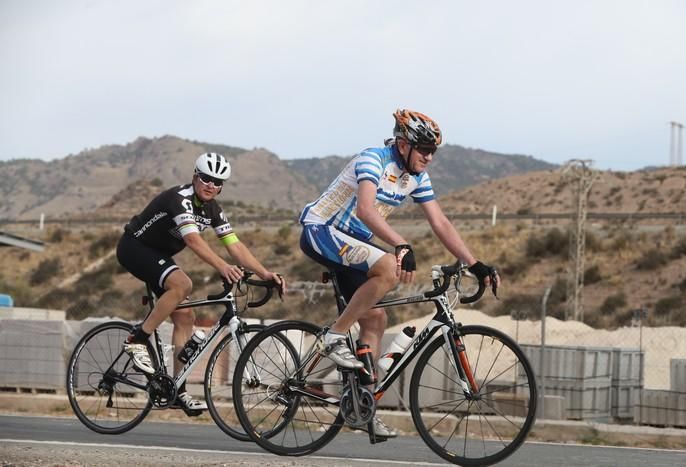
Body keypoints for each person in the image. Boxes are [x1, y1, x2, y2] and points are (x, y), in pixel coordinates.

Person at [299, 109, 500, 437]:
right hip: (321, 230)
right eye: (424, 149)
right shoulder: (373, 159)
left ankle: (361, 406)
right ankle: (334, 335)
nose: (429, 157)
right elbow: (365, 209)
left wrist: (474, 263)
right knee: (388, 269)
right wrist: (400, 244)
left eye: (433, 151)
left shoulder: (416, 176)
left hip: (351, 245)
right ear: (404, 144)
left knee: (376, 320)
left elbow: (440, 223)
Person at [117, 152, 286, 413]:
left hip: (158, 255)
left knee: (185, 317)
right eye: (206, 178)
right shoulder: (180, 199)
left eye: (218, 182)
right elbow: (194, 241)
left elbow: (235, 245)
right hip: (134, 247)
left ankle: (177, 390)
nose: (211, 185)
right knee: (183, 284)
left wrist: (265, 273)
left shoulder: (212, 209)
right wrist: (223, 267)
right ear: (195, 177)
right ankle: (137, 339)